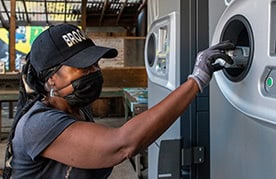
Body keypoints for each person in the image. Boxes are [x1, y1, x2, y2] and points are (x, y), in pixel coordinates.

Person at [3, 23, 234, 179]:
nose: (93, 71)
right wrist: (196, 80)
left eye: (94, 63)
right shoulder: (38, 124)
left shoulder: (77, 108)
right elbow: (122, 145)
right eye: (82, 66)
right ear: (51, 79)